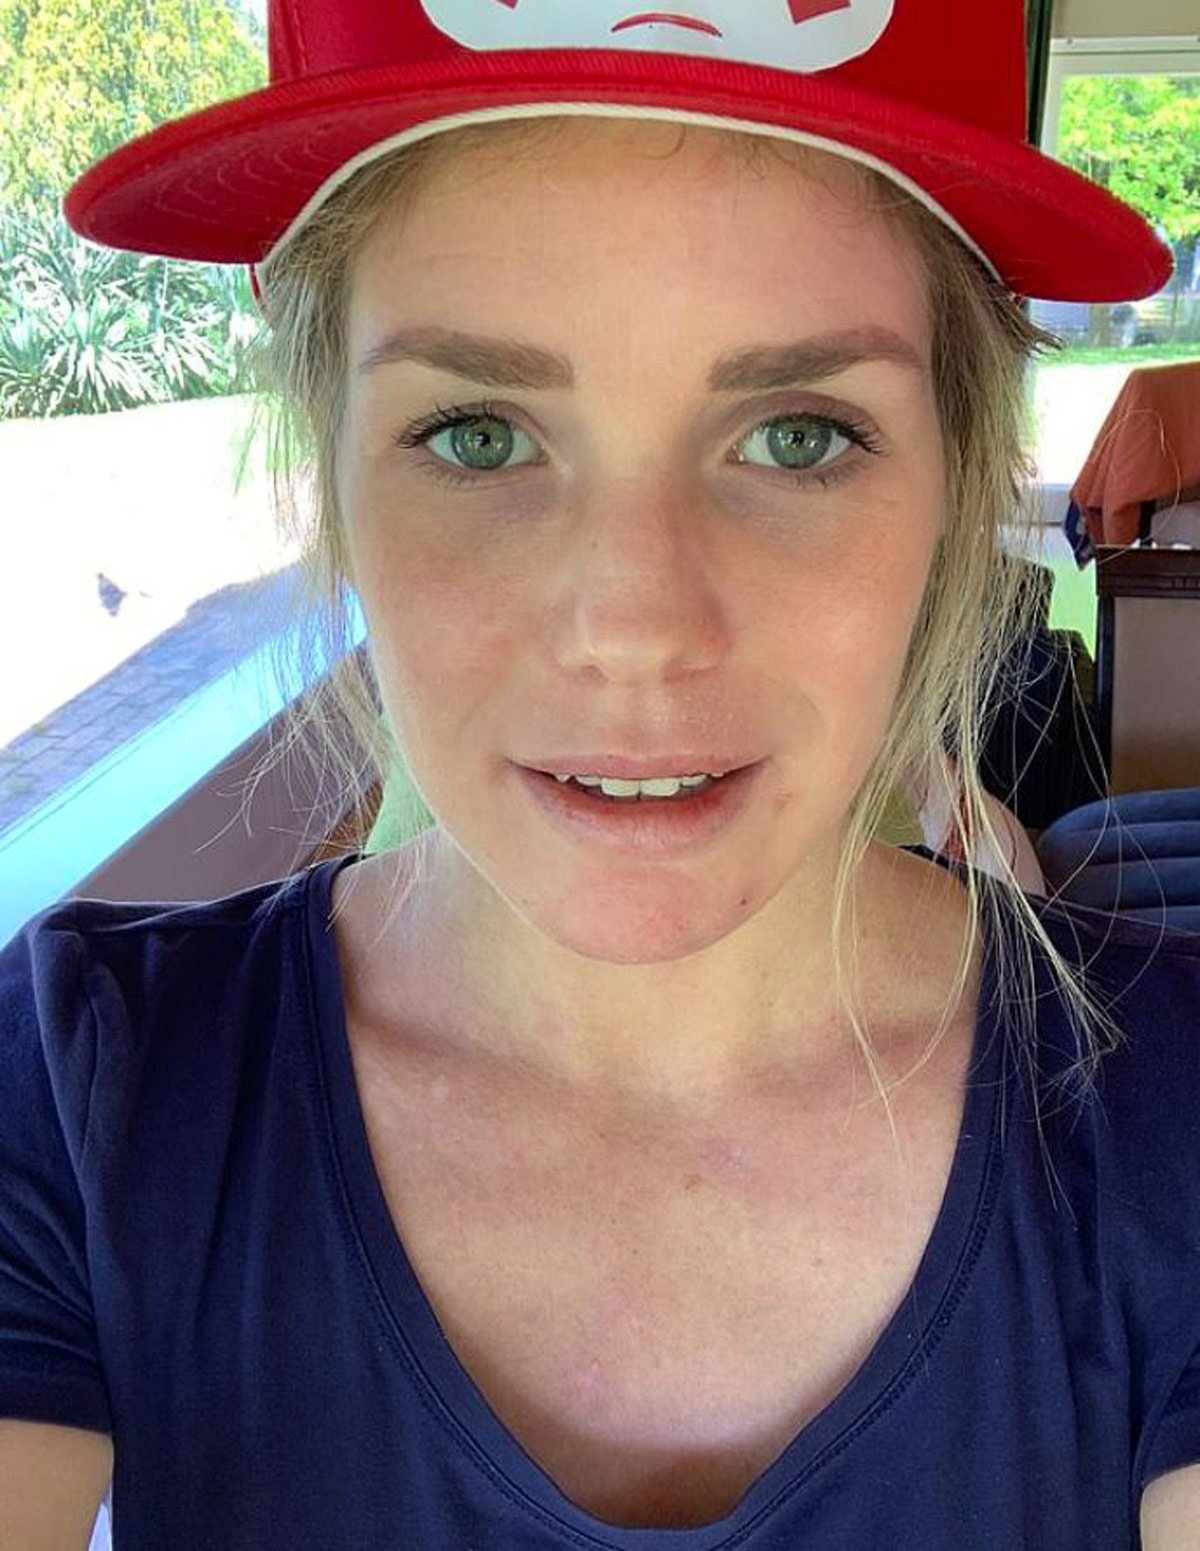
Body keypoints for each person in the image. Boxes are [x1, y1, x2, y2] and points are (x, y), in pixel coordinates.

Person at [2, 1, 1198, 1545]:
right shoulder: (77, 1087)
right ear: (334, 483)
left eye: (799, 437)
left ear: (955, 486)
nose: (635, 629)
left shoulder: (1172, 1096)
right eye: (479, 435)